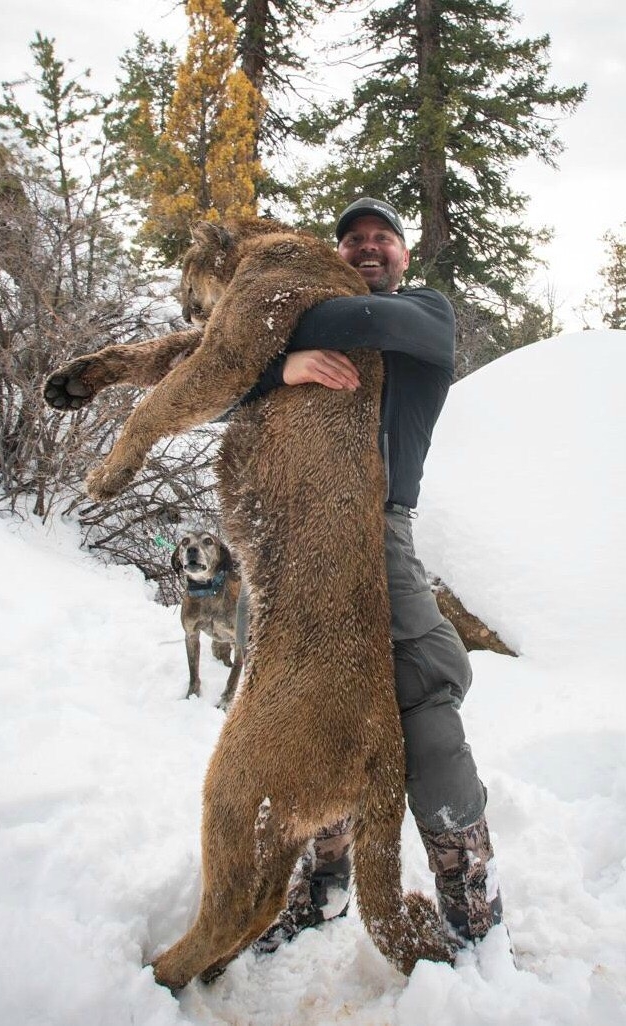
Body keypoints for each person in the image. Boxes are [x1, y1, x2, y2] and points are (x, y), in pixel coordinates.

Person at [238, 197, 504, 955]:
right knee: (311, 706)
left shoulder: (425, 313)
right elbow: (219, 387)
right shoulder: (306, 325)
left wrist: (273, 333)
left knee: (423, 694)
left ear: (403, 256)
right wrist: (278, 367)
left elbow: (366, 325)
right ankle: (323, 887)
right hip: (294, 538)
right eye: (351, 239)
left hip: (378, 528)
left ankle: (471, 907)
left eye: (381, 238)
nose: (366, 248)